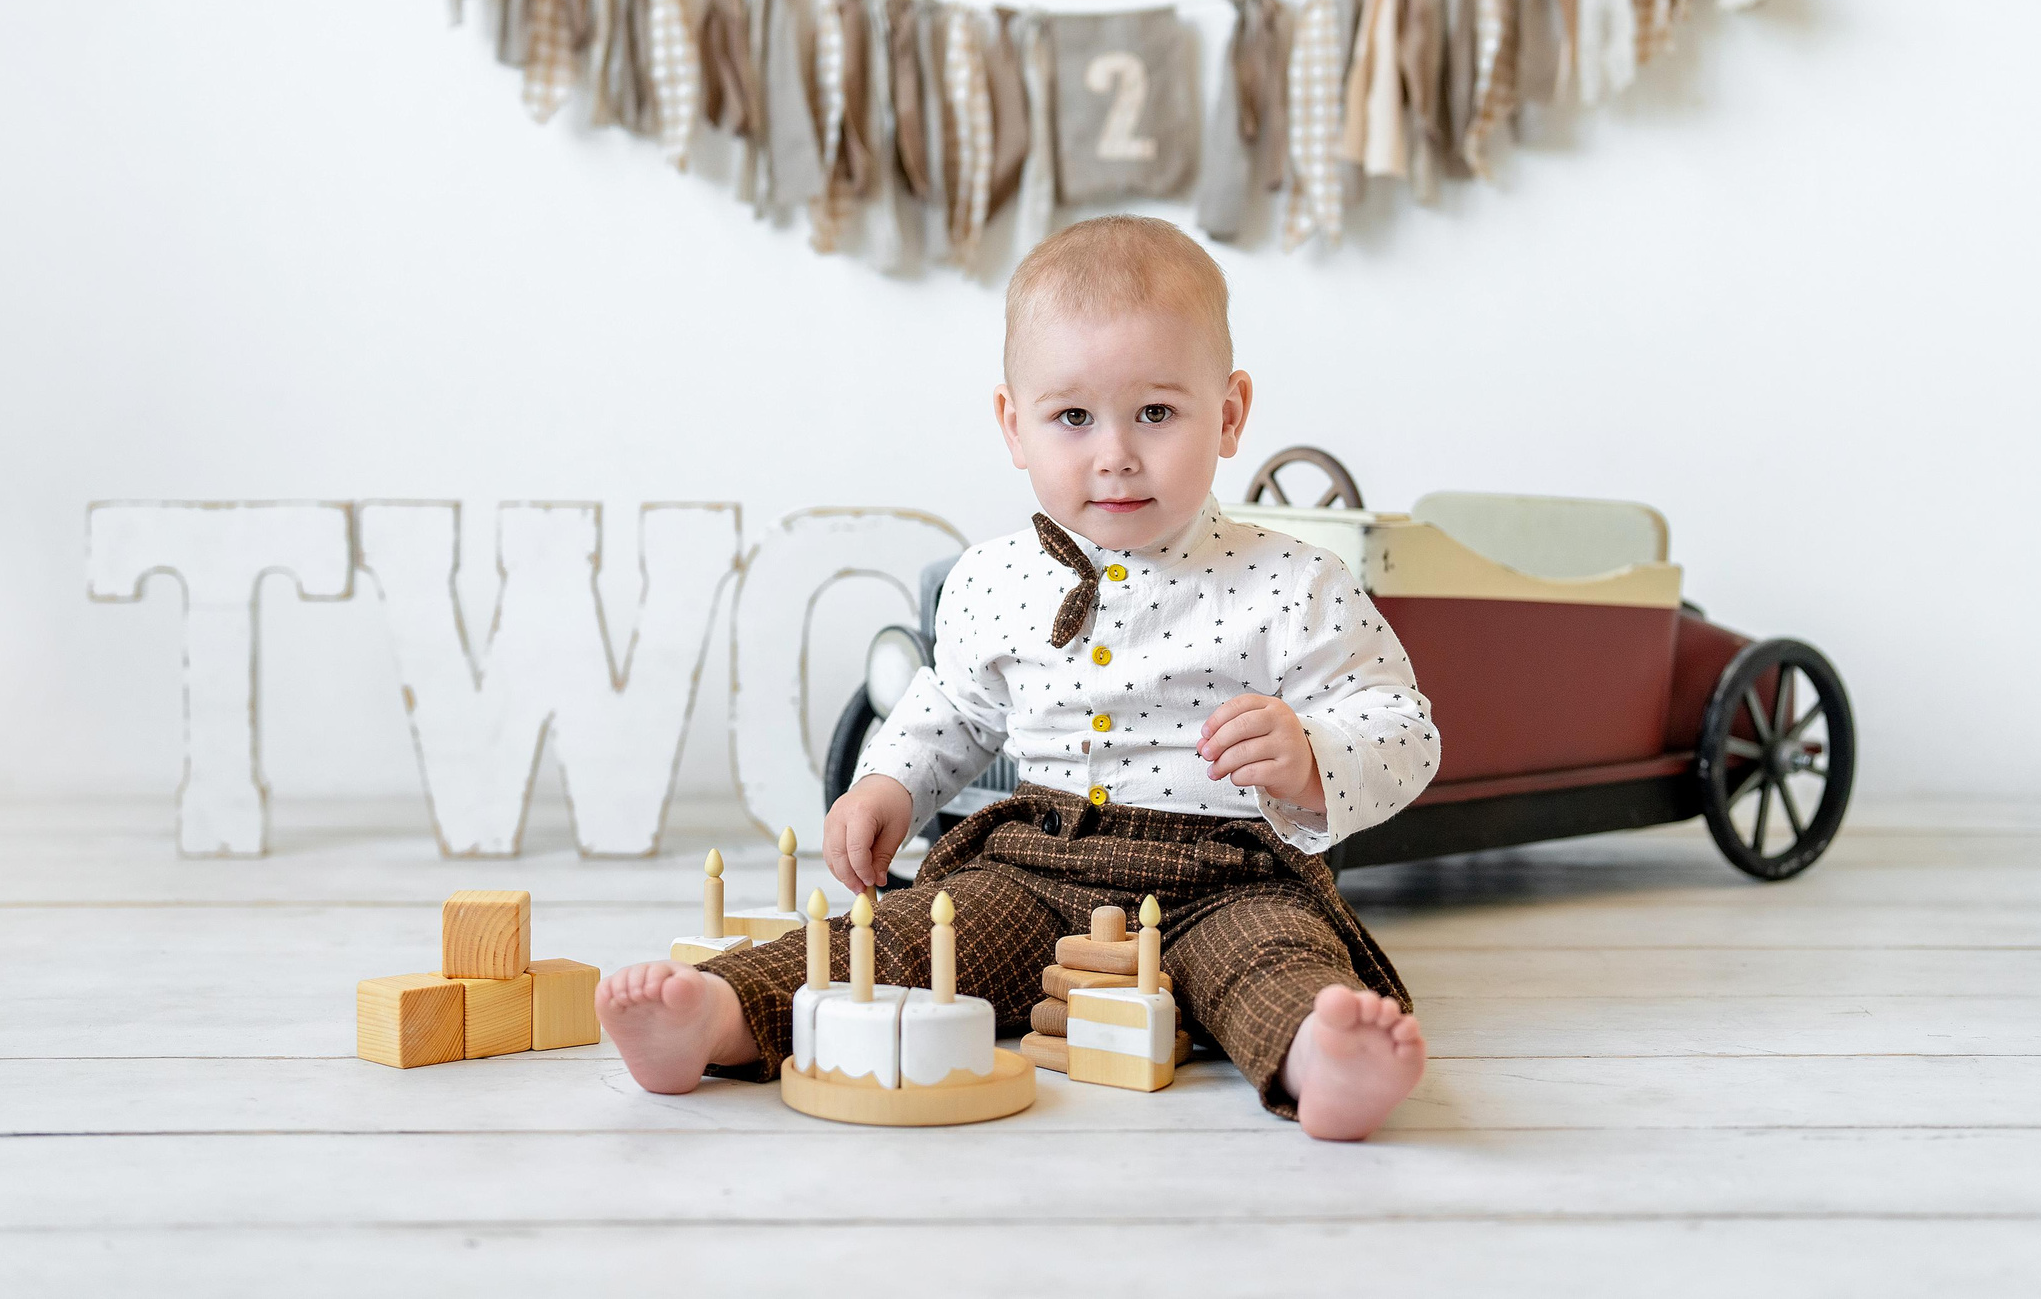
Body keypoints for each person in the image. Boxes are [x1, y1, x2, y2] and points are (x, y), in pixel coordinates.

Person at [598, 214, 1438, 1139]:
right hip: (1037, 867)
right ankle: (714, 1017)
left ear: (1230, 413)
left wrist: (1315, 753)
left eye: (1155, 412)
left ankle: (1322, 1059)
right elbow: (952, 707)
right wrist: (888, 783)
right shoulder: (993, 579)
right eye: (1073, 417)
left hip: (1227, 873)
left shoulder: (1291, 581)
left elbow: (1402, 725)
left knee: (1271, 957)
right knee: (911, 937)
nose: (1114, 453)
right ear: (1014, 423)